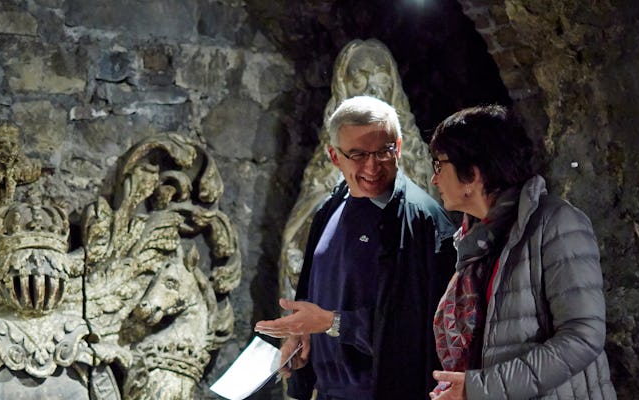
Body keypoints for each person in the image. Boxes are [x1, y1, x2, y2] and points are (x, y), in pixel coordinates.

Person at [255, 95, 457, 399]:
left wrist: (331, 322)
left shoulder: (421, 222)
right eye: (358, 154)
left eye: (383, 151)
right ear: (335, 157)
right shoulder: (329, 209)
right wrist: (303, 338)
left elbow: (422, 332)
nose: (372, 166)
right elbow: (320, 295)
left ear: (398, 148)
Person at [426, 105, 616, 399]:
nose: (434, 179)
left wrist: (478, 388)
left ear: (473, 173)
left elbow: (583, 337)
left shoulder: (556, 223)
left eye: (439, 166)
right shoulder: (476, 241)